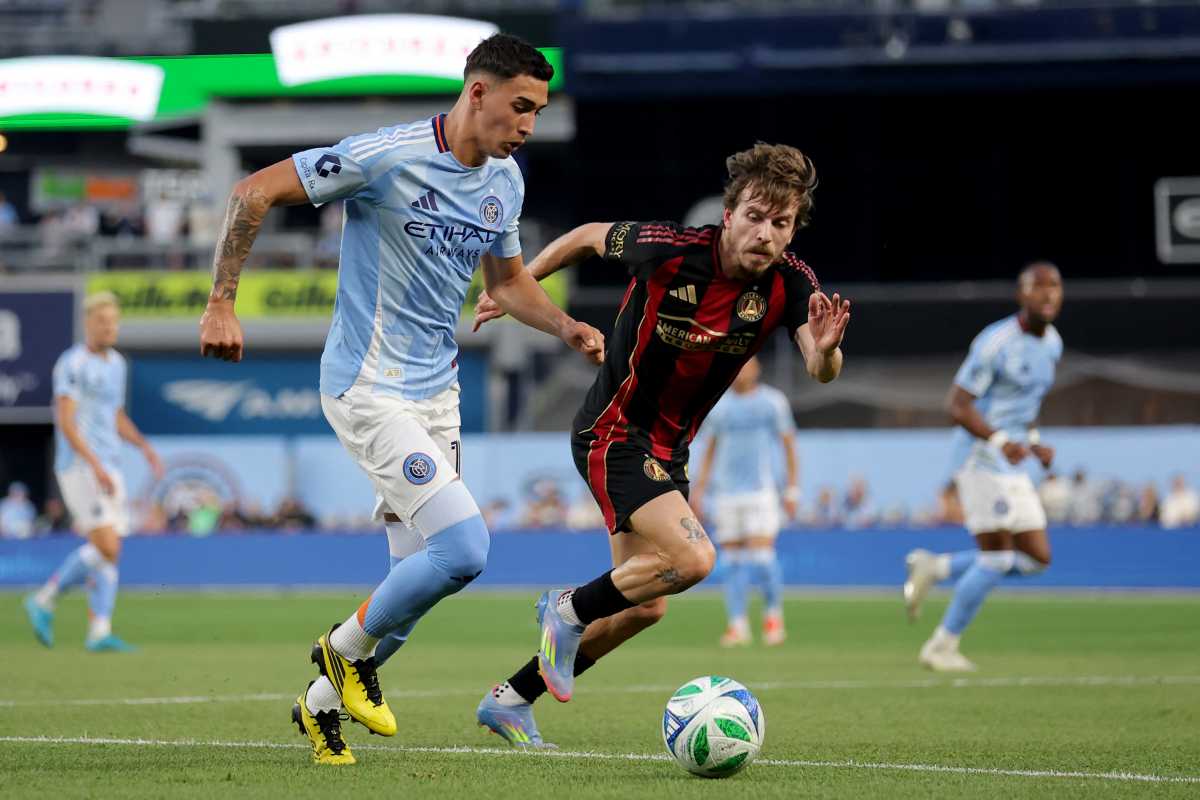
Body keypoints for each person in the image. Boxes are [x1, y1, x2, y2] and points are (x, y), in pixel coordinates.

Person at [197, 33, 604, 766]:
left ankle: (319, 706)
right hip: (368, 386)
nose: (528, 125)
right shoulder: (384, 157)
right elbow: (251, 190)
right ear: (476, 92)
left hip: (435, 397)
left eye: (538, 112)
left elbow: (506, 284)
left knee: (413, 585)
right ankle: (341, 653)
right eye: (520, 107)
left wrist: (566, 326)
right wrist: (222, 302)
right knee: (465, 549)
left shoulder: (504, 183)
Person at [471, 142, 850, 747]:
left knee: (645, 604)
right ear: (730, 214)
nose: (766, 233)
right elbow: (589, 236)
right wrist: (518, 282)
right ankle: (564, 610)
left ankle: (512, 699)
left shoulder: (789, 284)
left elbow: (818, 367)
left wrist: (827, 350)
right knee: (695, 560)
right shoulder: (671, 251)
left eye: (781, 223)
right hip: (614, 432)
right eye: (755, 215)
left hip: (669, 452)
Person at [903, 262, 1063, 671]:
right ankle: (941, 645)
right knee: (995, 559)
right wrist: (998, 440)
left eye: (1054, 287)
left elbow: (1026, 407)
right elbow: (957, 405)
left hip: (1011, 460)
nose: (1047, 294)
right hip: (980, 459)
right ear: (1021, 296)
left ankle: (936, 566)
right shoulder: (995, 343)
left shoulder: (1052, 345)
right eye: (1037, 287)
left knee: (1036, 559)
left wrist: (1034, 443)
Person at [23, 292, 164, 652]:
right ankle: (44, 599)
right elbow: (66, 421)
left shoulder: (117, 364)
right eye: (103, 322)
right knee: (107, 544)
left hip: (109, 464)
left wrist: (143, 446)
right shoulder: (71, 364)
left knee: (110, 549)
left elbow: (114, 416)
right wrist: (96, 465)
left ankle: (99, 630)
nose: (110, 328)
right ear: (88, 323)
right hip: (80, 465)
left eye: (114, 322)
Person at [690, 356, 798, 647]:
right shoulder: (719, 406)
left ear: (757, 368)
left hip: (760, 491)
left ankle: (773, 617)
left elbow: (789, 446)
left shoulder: (773, 402)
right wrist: (698, 490)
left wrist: (792, 489)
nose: (741, 372)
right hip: (726, 494)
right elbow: (709, 450)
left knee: (763, 558)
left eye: (747, 365)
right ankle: (738, 624)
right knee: (733, 560)